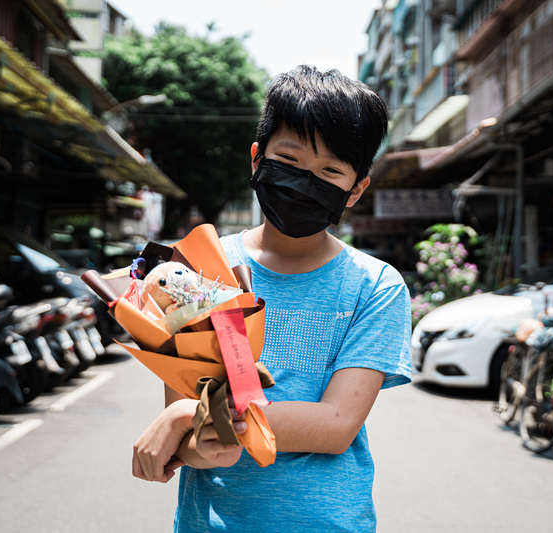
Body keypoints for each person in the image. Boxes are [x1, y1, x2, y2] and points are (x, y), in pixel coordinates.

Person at [132, 65, 412, 532]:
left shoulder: (375, 285)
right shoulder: (197, 268)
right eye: (290, 159)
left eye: (330, 171)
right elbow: (192, 440)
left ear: (356, 189)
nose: (306, 180)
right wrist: (194, 433)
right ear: (257, 158)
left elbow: (336, 425)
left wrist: (194, 414)